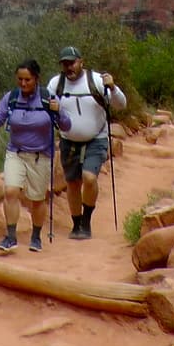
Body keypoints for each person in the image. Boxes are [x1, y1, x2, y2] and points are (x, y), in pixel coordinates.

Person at [0, 59, 71, 254]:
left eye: (27, 80)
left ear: (37, 79)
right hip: (16, 152)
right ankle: (11, 236)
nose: (23, 84)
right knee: (11, 192)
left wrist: (58, 113)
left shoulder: (48, 98)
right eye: (20, 80)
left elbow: (66, 125)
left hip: (41, 156)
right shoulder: (12, 97)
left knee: (37, 199)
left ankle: (36, 236)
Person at [47, 46, 126, 240]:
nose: (68, 67)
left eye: (72, 63)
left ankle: (86, 221)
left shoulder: (97, 81)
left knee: (89, 179)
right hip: (68, 140)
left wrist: (113, 88)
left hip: (96, 138)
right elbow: (45, 108)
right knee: (72, 183)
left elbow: (121, 104)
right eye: (65, 64)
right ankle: (76, 224)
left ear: (81, 61)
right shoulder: (56, 84)